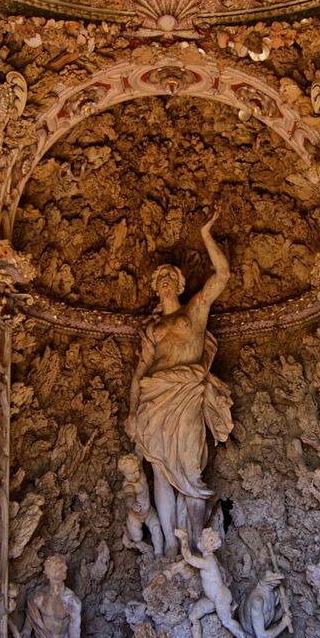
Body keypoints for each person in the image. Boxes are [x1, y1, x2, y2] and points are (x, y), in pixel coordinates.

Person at [127, 213, 233, 540]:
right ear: (155, 287)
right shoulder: (152, 329)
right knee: (160, 469)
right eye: (161, 278)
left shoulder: (196, 309)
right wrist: (131, 412)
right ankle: (171, 547)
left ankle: (196, 544)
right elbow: (140, 372)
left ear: (181, 283)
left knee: (190, 467)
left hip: (186, 393)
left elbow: (222, 274)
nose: (166, 280)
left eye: (171, 276)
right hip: (154, 396)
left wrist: (206, 234)